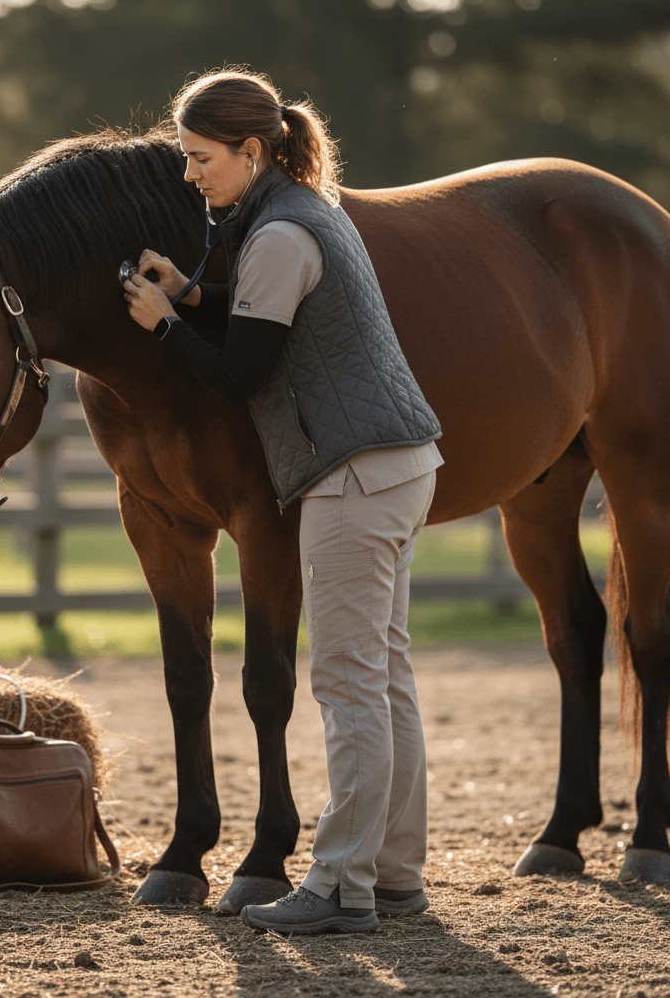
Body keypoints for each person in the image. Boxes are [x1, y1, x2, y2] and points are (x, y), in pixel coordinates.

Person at [122, 69, 443, 935]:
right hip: (402, 462)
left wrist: (165, 324)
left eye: (201, 158)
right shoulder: (307, 212)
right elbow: (264, 315)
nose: (190, 176)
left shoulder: (275, 235)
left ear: (252, 150)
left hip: (351, 474)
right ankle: (397, 873)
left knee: (346, 685)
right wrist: (193, 295)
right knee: (386, 678)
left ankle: (341, 886)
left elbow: (240, 372)